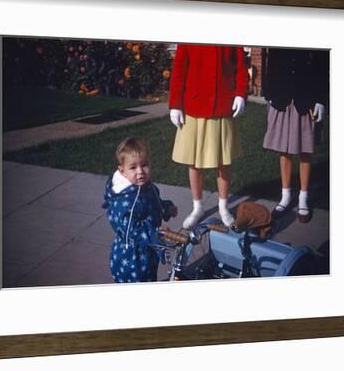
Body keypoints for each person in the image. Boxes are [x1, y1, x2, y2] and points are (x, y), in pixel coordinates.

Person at [168, 44, 249, 228]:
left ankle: (223, 206)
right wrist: (175, 104)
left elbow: (241, 67)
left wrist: (240, 93)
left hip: (222, 104)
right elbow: (179, 70)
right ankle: (197, 207)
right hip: (194, 105)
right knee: (195, 161)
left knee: (223, 160)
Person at [262, 47, 329, 223]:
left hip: (306, 97)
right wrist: (269, 93)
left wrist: (322, 99)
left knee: (305, 149)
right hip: (282, 95)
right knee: (284, 149)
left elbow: (323, 65)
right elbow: (271, 62)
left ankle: (303, 197)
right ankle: (286, 195)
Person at [102, 137, 178, 283]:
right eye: (133, 167)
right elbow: (129, 229)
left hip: (148, 249)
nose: (140, 171)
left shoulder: (147, 187)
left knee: (149, 278)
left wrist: (167, 208)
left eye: (145, 165)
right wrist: (155, 231)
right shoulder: (123, 200)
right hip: (131, 257)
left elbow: (154, 203)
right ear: (122, 171)